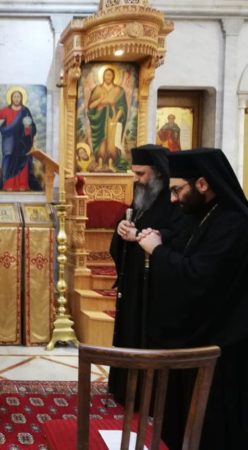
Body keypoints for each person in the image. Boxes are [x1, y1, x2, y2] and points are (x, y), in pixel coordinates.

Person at [137, 148, 248, 450]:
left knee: (211, 428)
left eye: (177, 190)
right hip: (192, 339)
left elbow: (199, 275)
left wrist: (157, 250)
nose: (173, 199)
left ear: (202, 183)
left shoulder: (233, 223)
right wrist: (159, 237)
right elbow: (181, 244)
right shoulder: (198, 214)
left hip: (221, 346)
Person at [107, 144, 184, 404]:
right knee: (130, 331)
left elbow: (178, 236)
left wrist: (139, 236)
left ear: (158, 173)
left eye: (141, 174)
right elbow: (130, 224)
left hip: (156, 286)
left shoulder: (174, 200)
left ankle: (147, 397)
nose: (136, 179)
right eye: (134, 173)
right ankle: (125, 390)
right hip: (133, 281)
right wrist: (121, 229)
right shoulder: (142, 194)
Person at [0, 89, 41, 191]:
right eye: (15, 97)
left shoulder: (25, 111)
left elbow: (31, 126)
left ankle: (23, 185)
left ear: (21, 98)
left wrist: (28, 129)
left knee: (23, 161)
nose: (16, 99)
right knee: (10, 163)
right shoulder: (7, 110)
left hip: (22, 142)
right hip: (10, 141)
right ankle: (8, 185)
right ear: (11, 98)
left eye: (18, 97)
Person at [87, 67, 128, 172]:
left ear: (113, 77)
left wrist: (116, 119)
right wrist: (101, 100)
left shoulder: (119, 90)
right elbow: (91, 106)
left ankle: (111, 164)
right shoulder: (97, 89)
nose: (108, 77)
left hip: (112, 119)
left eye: (110, 75)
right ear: (103, 76)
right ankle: (100, 162)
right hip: (100, 119)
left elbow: (122, 108)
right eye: (106, 75)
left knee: (112, 141)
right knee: (101, 141)